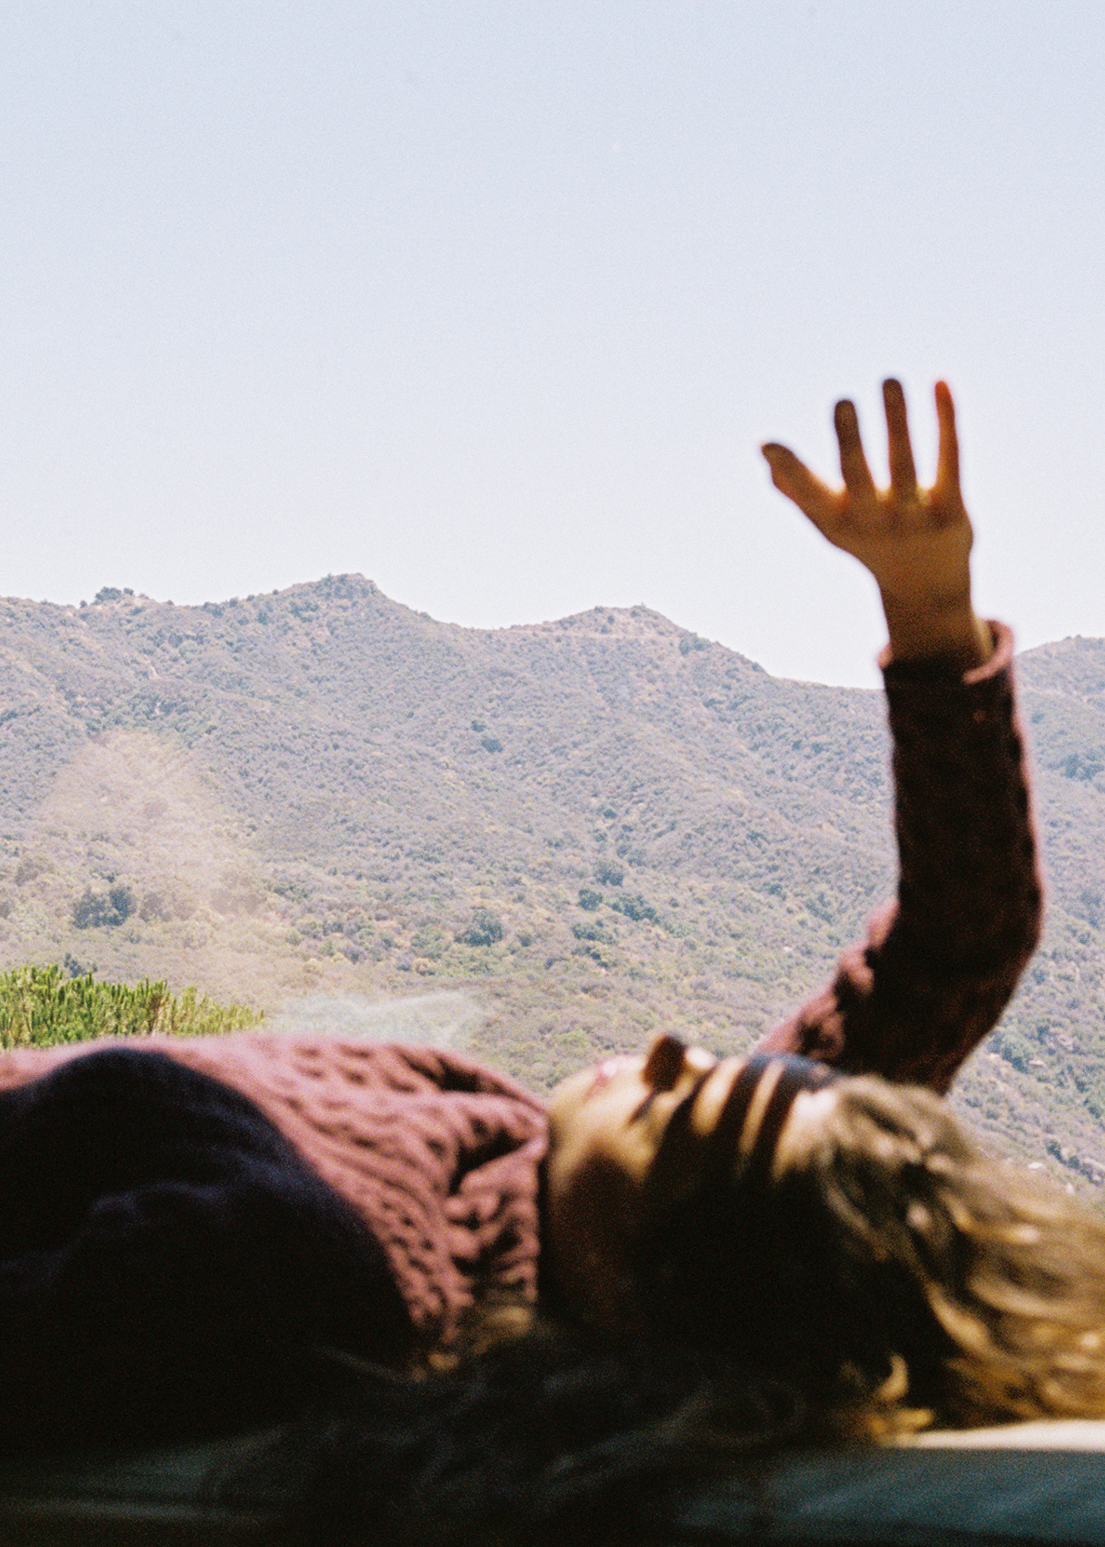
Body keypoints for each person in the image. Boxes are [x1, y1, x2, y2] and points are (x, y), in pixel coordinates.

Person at [0, 382, 1065, 1544]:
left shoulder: (317, 1270)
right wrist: (929, 613)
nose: (668, 1049)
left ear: (642, 1288)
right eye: (712, 1063)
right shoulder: (515, 1174)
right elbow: (958, 944)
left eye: (683, 1108)